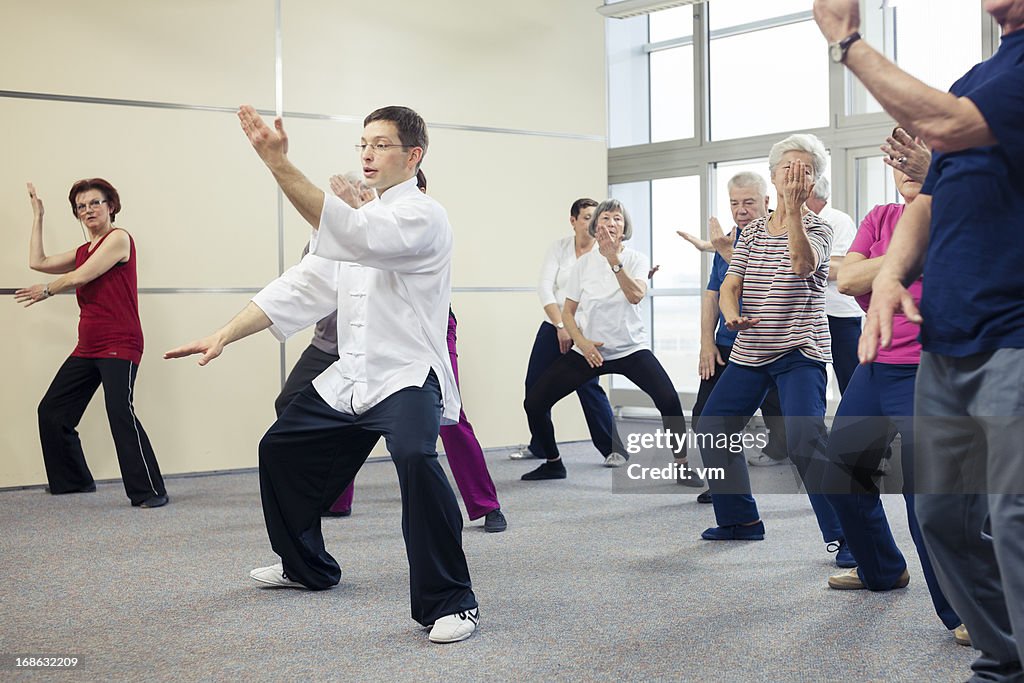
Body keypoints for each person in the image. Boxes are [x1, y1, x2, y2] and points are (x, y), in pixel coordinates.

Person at [166, 105, 479, 644]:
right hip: (350, 377)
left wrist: (276, 163)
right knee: (279, 448)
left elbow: (359, 235)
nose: (366, 153)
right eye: (363, 143)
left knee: (415, 457)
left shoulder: (424, 216)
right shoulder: (358, 218)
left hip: (406, 376)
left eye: (381, 144)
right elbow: (301, 287)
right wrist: (224, 333)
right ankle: (305, 566)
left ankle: (453, 601)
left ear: (413, 155)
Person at [814, 0, 1024, 676]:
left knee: (1013, 515)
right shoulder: (978, 76)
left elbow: (949, 123)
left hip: (1015, 336)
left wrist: (848, 41)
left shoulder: (989, 93)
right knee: (944, 518)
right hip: (948, 340)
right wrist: (894, 276)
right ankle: (1003, 659)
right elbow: (929, 201)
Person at [821, 147, 967, 647]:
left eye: (917, 157)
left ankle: (966, 609)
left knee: (924, 492)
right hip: (875, 362)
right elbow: (847, 279)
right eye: (898, 159)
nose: (904, 167)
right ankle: (881, 568)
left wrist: (883, 265)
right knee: (841, 468)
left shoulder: (963, 213)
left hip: (930, 367)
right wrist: (909, 253)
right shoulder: (881, 217)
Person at [307, 170, 507, 533]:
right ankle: (336, 499)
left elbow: (390, 246)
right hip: (369, 329)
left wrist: (367, 215)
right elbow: (325, 262)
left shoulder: (424, 220)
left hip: (428, 332)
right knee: (350, 405)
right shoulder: (366, 218)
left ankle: (486, 504)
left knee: (449, 414)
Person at [693, 134, 848, 567]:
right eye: (788, 169)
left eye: (805, 170)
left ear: (813, 181)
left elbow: (802, 265)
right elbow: (731, 284)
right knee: (712, 425)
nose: (795, 176)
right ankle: (740, 519)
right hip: (752, 349)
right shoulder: (753, 233)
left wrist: (795, 211)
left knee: (805, 440)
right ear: (774, 176)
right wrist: (730, 315)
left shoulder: (819, 227)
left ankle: (846, 535)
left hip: (801, 351)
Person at [520, 198, 702, 487]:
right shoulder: (582, 266)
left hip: (631, 349)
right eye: (604, 219)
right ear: (595, 226)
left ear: (625, 227)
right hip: (589, 350)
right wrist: (583, 342)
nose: (611, 224)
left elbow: (635, 295)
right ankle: (553, 462)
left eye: (617, 219)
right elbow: (567, 312)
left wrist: (613, 260)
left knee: (668, 400)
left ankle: (681, 466)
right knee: (534, 402)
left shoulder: (636, 259)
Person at [16, 179, 167, 509]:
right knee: (52, 411)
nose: (88, 210)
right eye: (81, 207)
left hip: (120, 342)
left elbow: (80, 277)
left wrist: (47, 290)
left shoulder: (118, 239)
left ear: (111, 205)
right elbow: (37, 261)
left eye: (95, 203)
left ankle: (150, 492)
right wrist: (38, 216)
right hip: (88, 346)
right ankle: (73, 482)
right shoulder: (83, 251)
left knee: (119, 413)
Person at [678, 172, 788, 503]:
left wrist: (728, 253)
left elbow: (772, 286)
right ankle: (727, 488)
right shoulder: (729, 239)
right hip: (731, 349)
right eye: (734, 203)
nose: (740, 210)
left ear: (766, 202)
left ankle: (836, 498)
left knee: (798, 432)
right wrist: (706, 343)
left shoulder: (780, 235)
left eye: (749, 202)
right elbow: (713, 295)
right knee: (705, 418)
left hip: (777, 350)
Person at [509, 198, 617, 463]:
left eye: (596, 217)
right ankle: (541, 446)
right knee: (534, 388)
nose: (592, 222)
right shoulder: (559, 248)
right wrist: (560, 325)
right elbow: (545, 288)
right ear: (573, 221)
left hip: (584, 330)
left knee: (589, 388)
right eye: (586, 217)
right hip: (554, 326)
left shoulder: (602, 253)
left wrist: (573, 330)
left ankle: (613, 450)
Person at [805, 175, 862, 395]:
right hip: (810, 315)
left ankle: (867, 429)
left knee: (851, 379)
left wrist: (804, 263)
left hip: (840, 315)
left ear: (810, 193)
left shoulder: (838, 220)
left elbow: (841, 268)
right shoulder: (801, 222)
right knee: (812, 378)